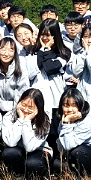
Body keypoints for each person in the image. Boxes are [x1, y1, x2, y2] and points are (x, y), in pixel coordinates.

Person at [28, 19, 71, 159]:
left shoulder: (64, 52)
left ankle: (57, 161)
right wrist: (41, 50)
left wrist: (45, 50)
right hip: (38, 97)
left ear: (55, 35)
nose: (45, 38)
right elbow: (34, 68)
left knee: (54, 132)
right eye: (43, 34)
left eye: (48, 34)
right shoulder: (33, 51)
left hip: (55, 98)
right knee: (39, 130)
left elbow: (49, 67)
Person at [0, 88, 52, 180]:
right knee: (9, 153)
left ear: (38, 108)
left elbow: (30, 147)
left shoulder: (44, 120)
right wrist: (20, 120)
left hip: (37, 151)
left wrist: (27, 121)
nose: (26, 110)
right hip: (18, 150)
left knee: (33, 163)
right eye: (23, 105)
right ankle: (19, 177)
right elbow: (10, 142)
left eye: (30, 107)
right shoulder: (9, 116)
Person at [0, 37, 29, 115]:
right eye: (3, 49)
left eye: (11, 50)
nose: (6, 54)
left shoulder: (21, 69)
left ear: (15, 53)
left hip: (15, 111)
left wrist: (14, 113)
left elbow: (22, 92)